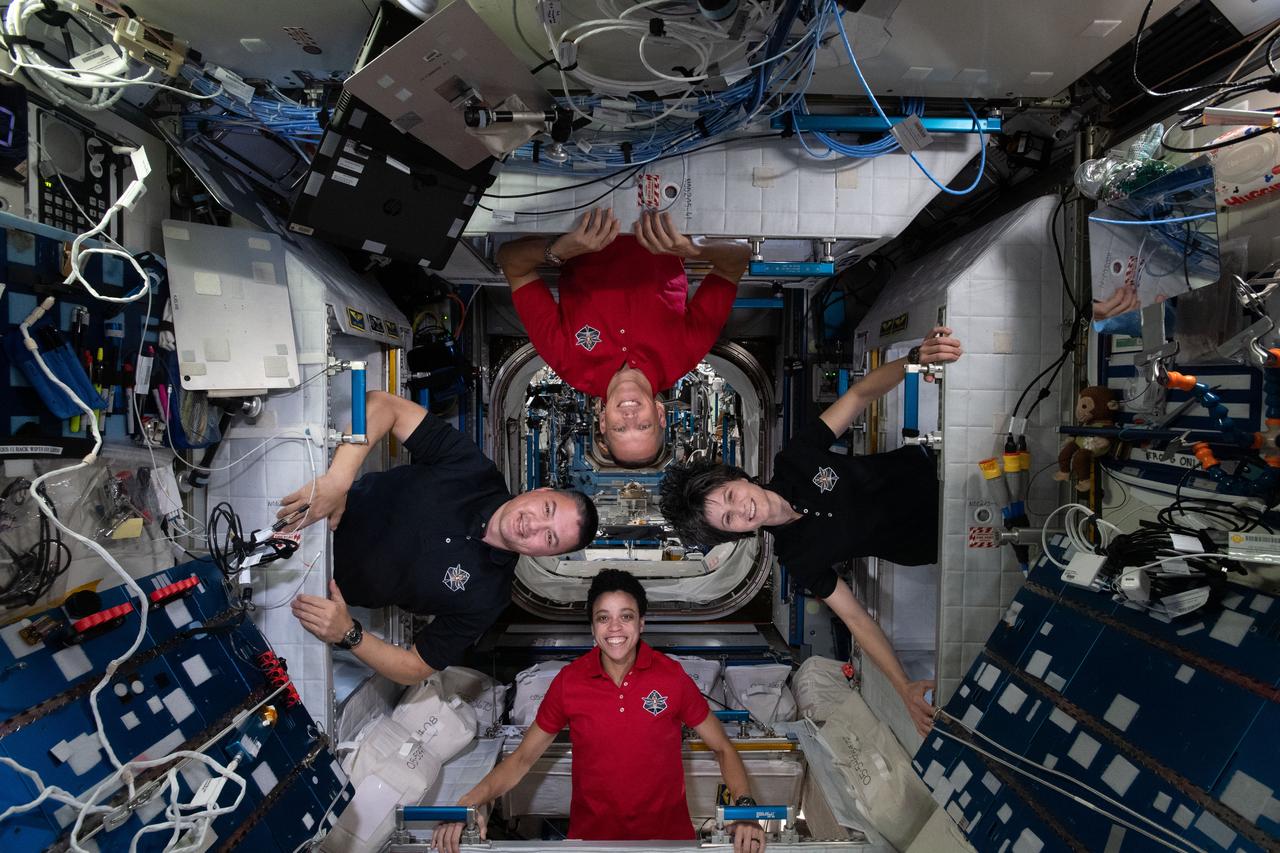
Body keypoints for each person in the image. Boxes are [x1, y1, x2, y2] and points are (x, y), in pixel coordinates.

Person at [659, 327, 963, 737]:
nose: (742, 508)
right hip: (938, 540)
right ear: (734, 535)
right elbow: (855, 618)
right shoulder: (798, 558)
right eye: (729, 520)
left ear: (739, 477)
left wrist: (912, 359)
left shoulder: (796, 458)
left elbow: (859, 397)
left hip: (942, 474)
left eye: (731, 495)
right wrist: (903, 687)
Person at [431, 569, 768, 853]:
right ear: (593, 629)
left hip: (668, 842)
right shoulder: (569, 682)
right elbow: (521, 760)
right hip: (592, 842)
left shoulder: (672, 677)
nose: (615, 628)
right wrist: (471, 801)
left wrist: (745, 810)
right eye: (603, 618)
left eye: (626, 616)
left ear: (642, 623)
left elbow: (723, 748)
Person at [277, 391, 598, 685]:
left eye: (550, 538)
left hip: (306, 589)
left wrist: (349, 633)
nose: (534, 526)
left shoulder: (489, 597)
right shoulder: (472, 469)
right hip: (309, 507)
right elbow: (383, 406)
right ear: (540, 490)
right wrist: (338, 481)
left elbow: (415, 668)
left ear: (544, 555)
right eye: (546, 509)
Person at [496, 208, 751, 468]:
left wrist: (557, 250)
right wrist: (692, 246)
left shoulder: (566, 359)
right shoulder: (686, 351)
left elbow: (511, 262)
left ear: (603, 421)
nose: (630, 416)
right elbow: (738, 259)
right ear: (660, 414)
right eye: (643, 425)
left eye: (619, 429)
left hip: (586, 208)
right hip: (660, 206)